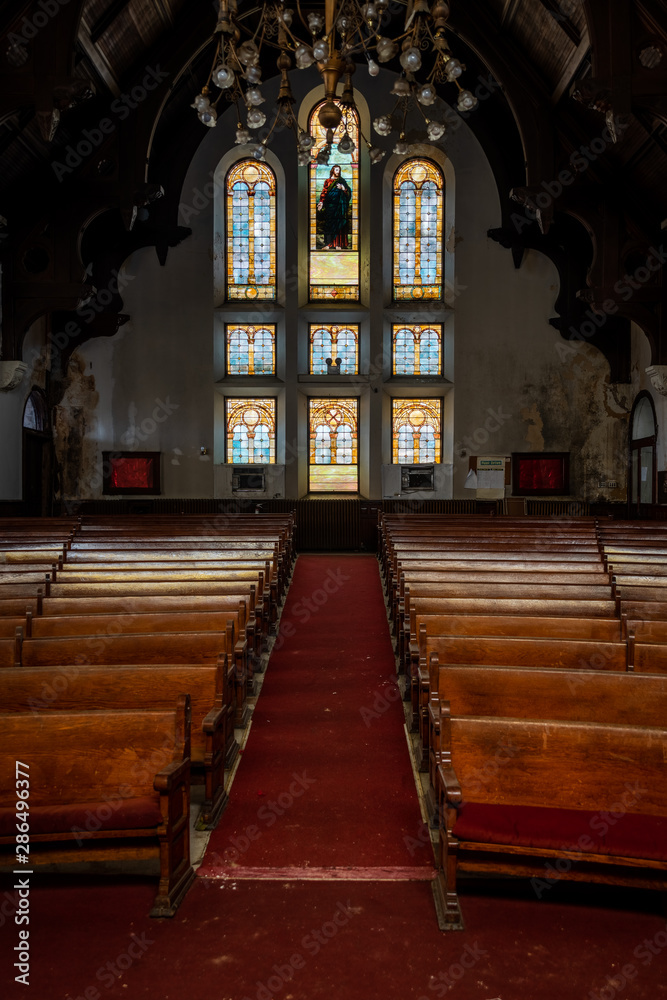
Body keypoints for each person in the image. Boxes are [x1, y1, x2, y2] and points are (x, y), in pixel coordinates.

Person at [317, 164, 351, 249]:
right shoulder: (328, 181)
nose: (338, 171)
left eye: (339, 170)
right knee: (329, 224)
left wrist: (343, 188)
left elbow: (348, 192)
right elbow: (324, 192)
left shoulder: (342, 181)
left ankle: (338, 244)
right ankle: (328, 244)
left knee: (339, 224)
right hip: (330, 207)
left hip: (339, 207)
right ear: (332, 171)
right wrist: (321, 202)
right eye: (336, 170)